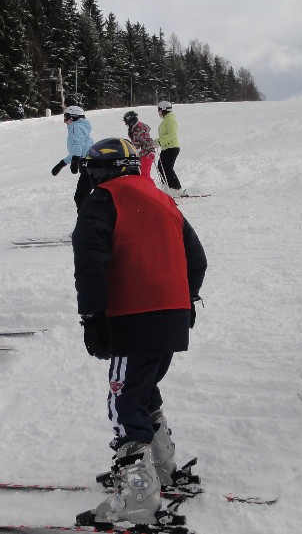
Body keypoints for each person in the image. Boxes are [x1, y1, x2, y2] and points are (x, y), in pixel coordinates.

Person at [72, 137, 207, 529]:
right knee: (144, 389)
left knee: (124, 400)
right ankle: (161, 470)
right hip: (171, 313)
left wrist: (93, 317)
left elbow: (90, 263)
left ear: (101, 170)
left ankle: (138, 497)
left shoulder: (102, 200)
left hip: (133, 314)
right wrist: (185, 300)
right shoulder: (162, 198)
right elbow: (197, 259)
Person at [51, 105, 94, 211]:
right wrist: (62, 163)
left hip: (88, 165)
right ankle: (89, 216)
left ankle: (88, 218)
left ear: (73, 117)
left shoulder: (76, 127)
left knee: (80, 197)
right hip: (90, 164)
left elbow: (78, 145)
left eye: (66, 117)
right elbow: (78, 150)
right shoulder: (79, 127)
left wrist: (75, 159)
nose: (65, 121)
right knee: (82, 197)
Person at [154, 101, 185, 196]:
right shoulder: (166, 120)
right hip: (166, 148)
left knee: (167, 168)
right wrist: (155, 141)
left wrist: (159, 142)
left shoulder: (170, 120)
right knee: (161, 168)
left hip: (172, 147)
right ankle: (167, 188)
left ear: (163, 110)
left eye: (159, 110)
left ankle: (176, 189)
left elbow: (172, 134)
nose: (158, 112)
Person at [122, 110, 157, 184]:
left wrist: (151, 150)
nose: (126, 124)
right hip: (140, 154)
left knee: (145, 175)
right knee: (140, 175)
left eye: (127, 122)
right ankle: (145, 189)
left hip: (146, 154)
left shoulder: (140, 129)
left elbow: (147, 139)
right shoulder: (133, 129)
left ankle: (152, 190)